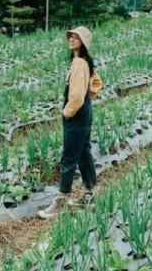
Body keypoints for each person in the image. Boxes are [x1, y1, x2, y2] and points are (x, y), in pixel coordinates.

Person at [37, 25, 103, 220]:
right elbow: (97, 82)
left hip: (77, 114)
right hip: (84, 112)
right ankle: (91, 193)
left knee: (68, 158)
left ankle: (61, 199)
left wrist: (67, 112)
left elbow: (75, 96)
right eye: (71, 36)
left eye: (76, 37)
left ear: (83, 42)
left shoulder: (79, 63)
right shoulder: (83, 61)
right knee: (83, 152)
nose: (72, 39)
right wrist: (89, 94)